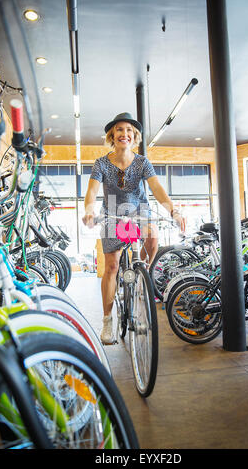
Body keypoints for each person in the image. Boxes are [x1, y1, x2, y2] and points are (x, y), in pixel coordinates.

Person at [82, 112, 185, 344]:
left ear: (134, 136)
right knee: (112, 266)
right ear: (112, 135)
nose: (124, 134)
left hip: (139, 211)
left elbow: (156, 188)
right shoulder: (101, 163)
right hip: (111, 212)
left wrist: (173, 210)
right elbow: (92, 191)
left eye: (129, 130)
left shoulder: (142, 162)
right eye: (119, 130)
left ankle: (142, 272)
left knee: (153, 236)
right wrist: (89, 210)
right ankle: (107, 321)